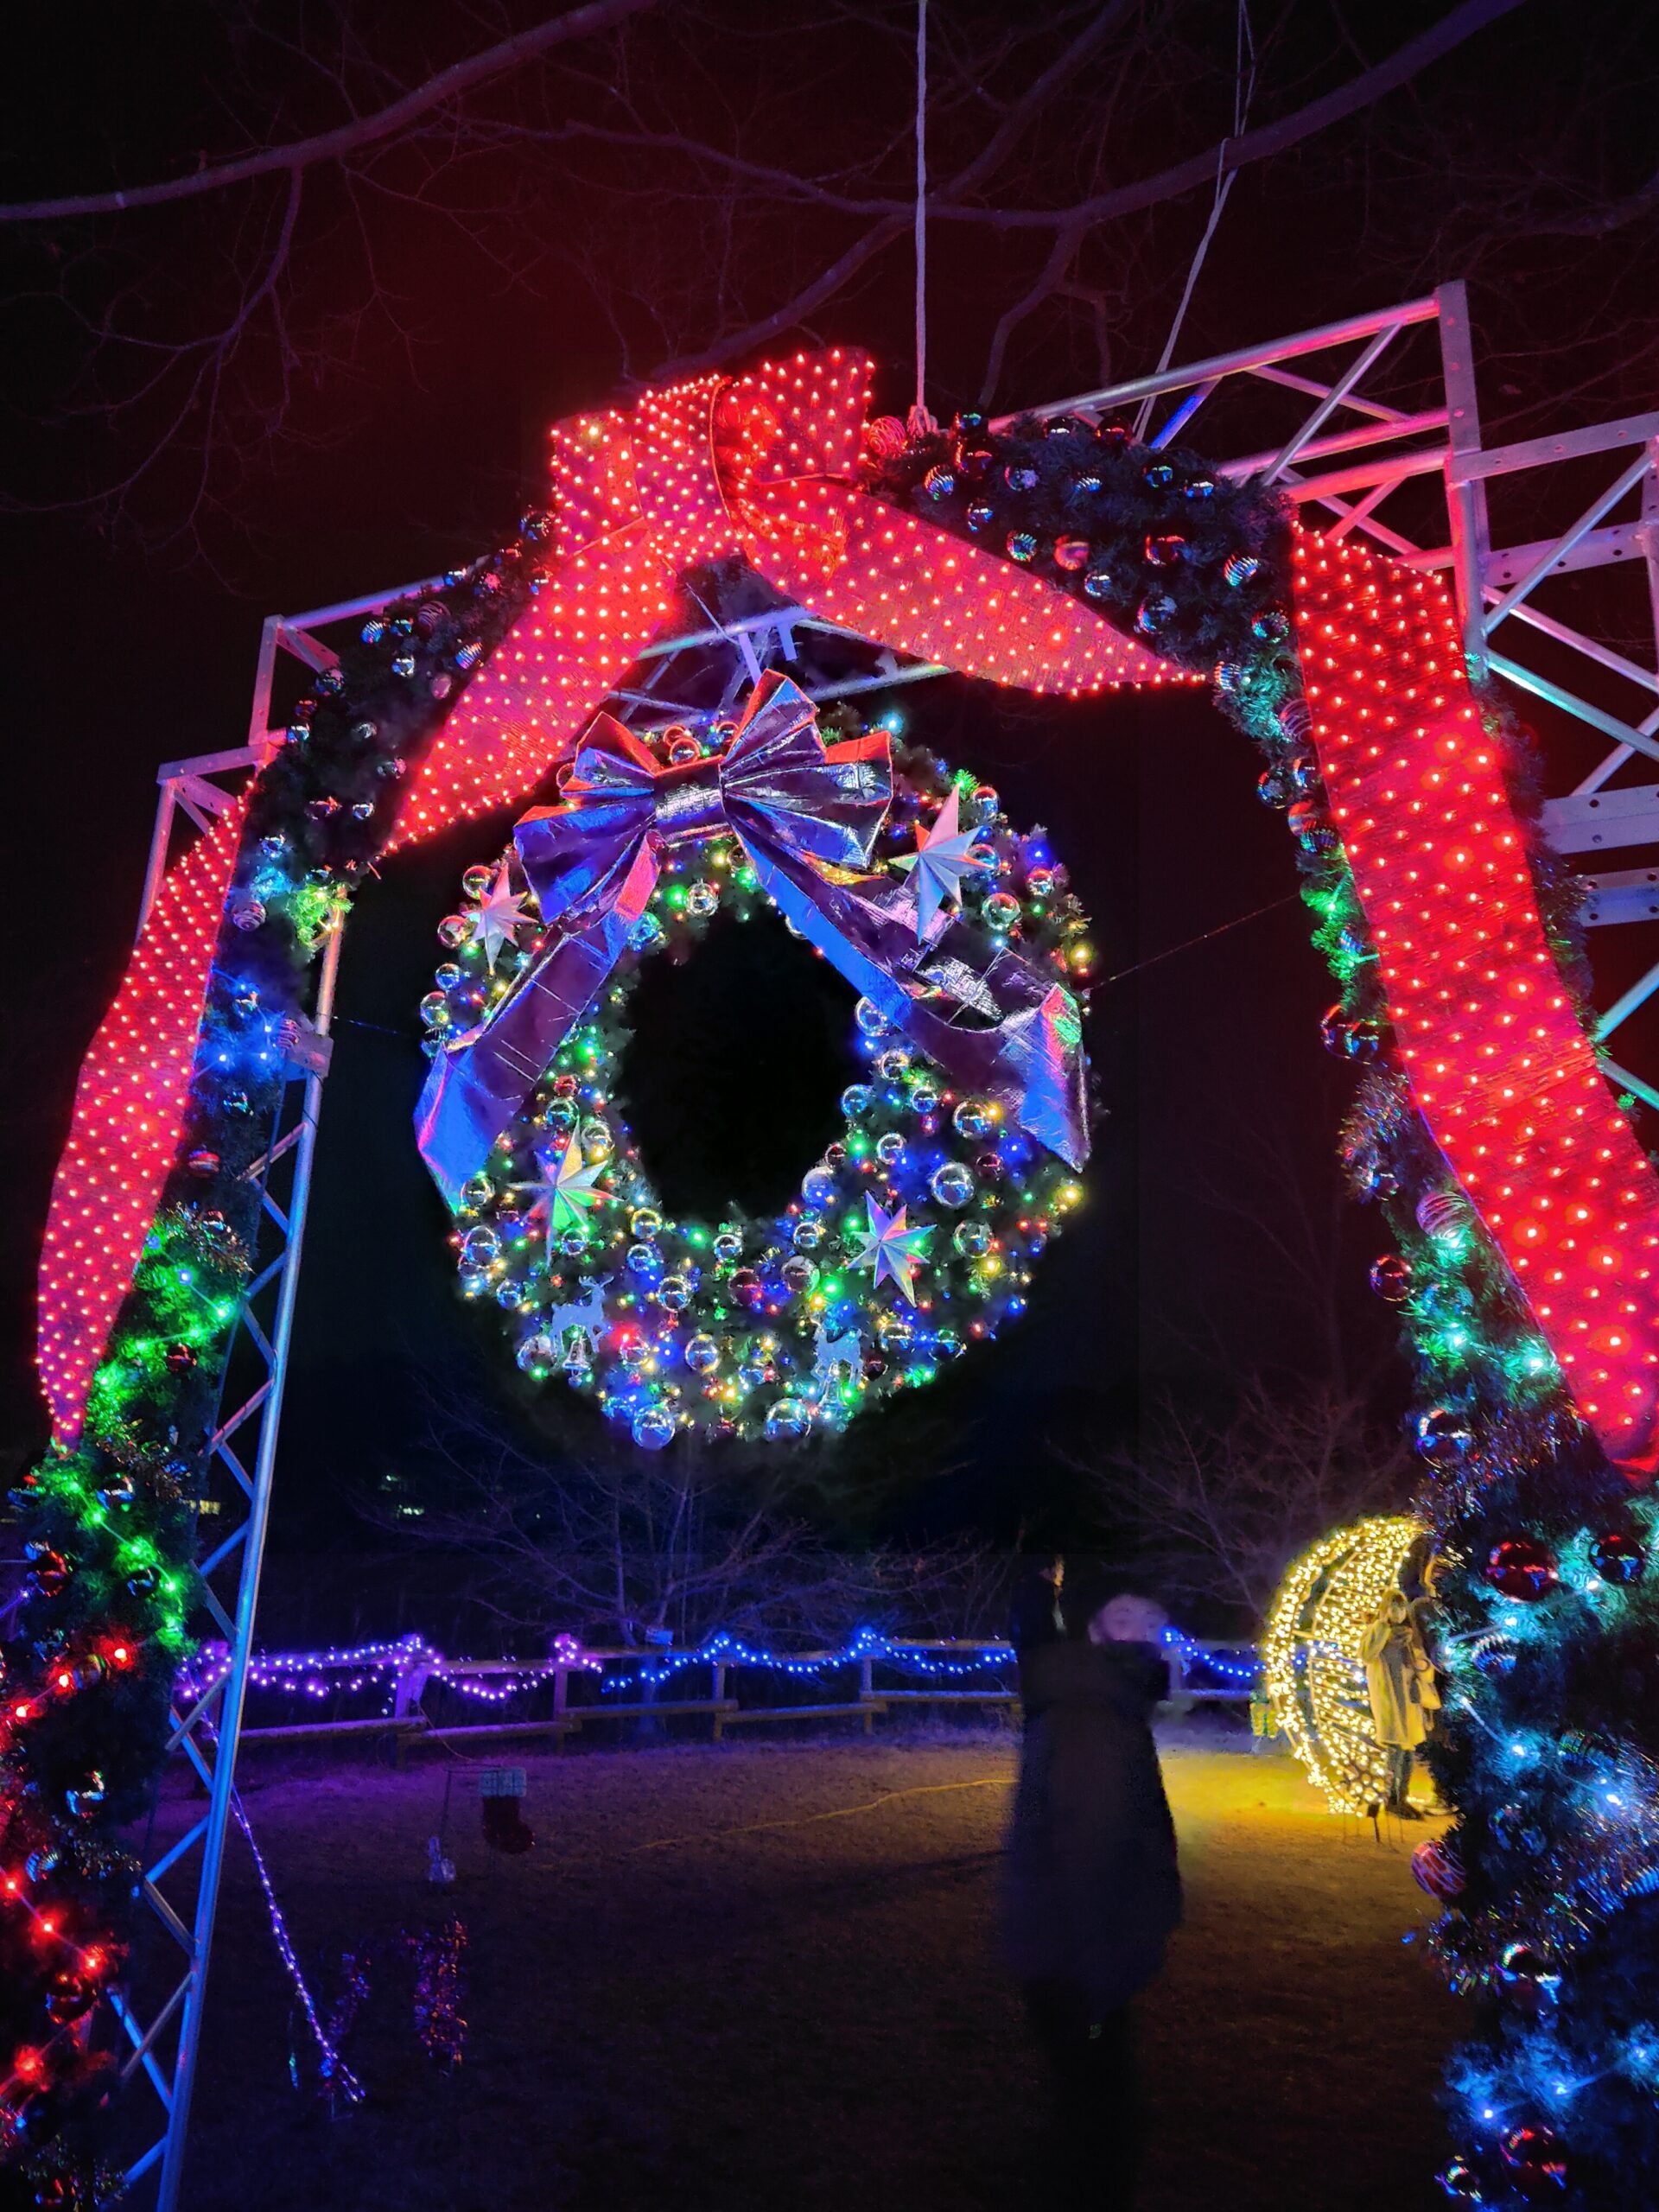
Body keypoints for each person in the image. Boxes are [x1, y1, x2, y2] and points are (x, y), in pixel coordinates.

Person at [1002, 1576, 1183, 2203]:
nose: (1149, 1629)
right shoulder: (1092, 1713)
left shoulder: (1106, 1700)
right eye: (1128, 1616)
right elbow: (1089, 1842)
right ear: (1096, 1630)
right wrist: (1098, 1970)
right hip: (1078, 1952)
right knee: (1099, 2103)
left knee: (1088, 2094)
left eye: (1155, 1618)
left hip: (1075, 1946)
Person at [1359, 1586, 1441, 1816]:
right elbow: (1366, 1654)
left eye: (1401, 1607)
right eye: (1393, 1607)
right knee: (1395, 1750)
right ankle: (1391, 1799)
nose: (1398, 1612)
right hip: (1389, 1700)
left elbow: (1424, 1666)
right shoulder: (1377, 1632)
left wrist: (1422, 1668)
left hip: (1409, 1700)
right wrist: (1382, 1627)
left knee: (1407, 1750)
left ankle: (1401, 1797)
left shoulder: (1409, 1635)